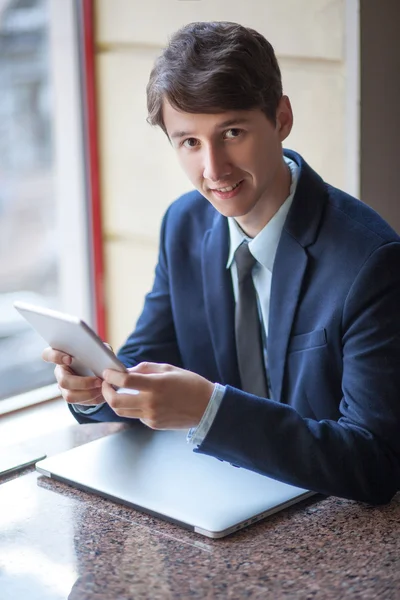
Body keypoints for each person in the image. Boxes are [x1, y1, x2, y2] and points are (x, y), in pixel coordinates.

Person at [43, 21, 400, 505]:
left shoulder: (371, 261)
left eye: (231, 132)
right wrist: (97, 389)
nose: (214, 169)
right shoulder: (184, 224)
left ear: (281, 118)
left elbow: (375, 462)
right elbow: (152, 357)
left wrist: (210, 410)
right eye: (189, 142)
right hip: (218, 496)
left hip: (323, 514)